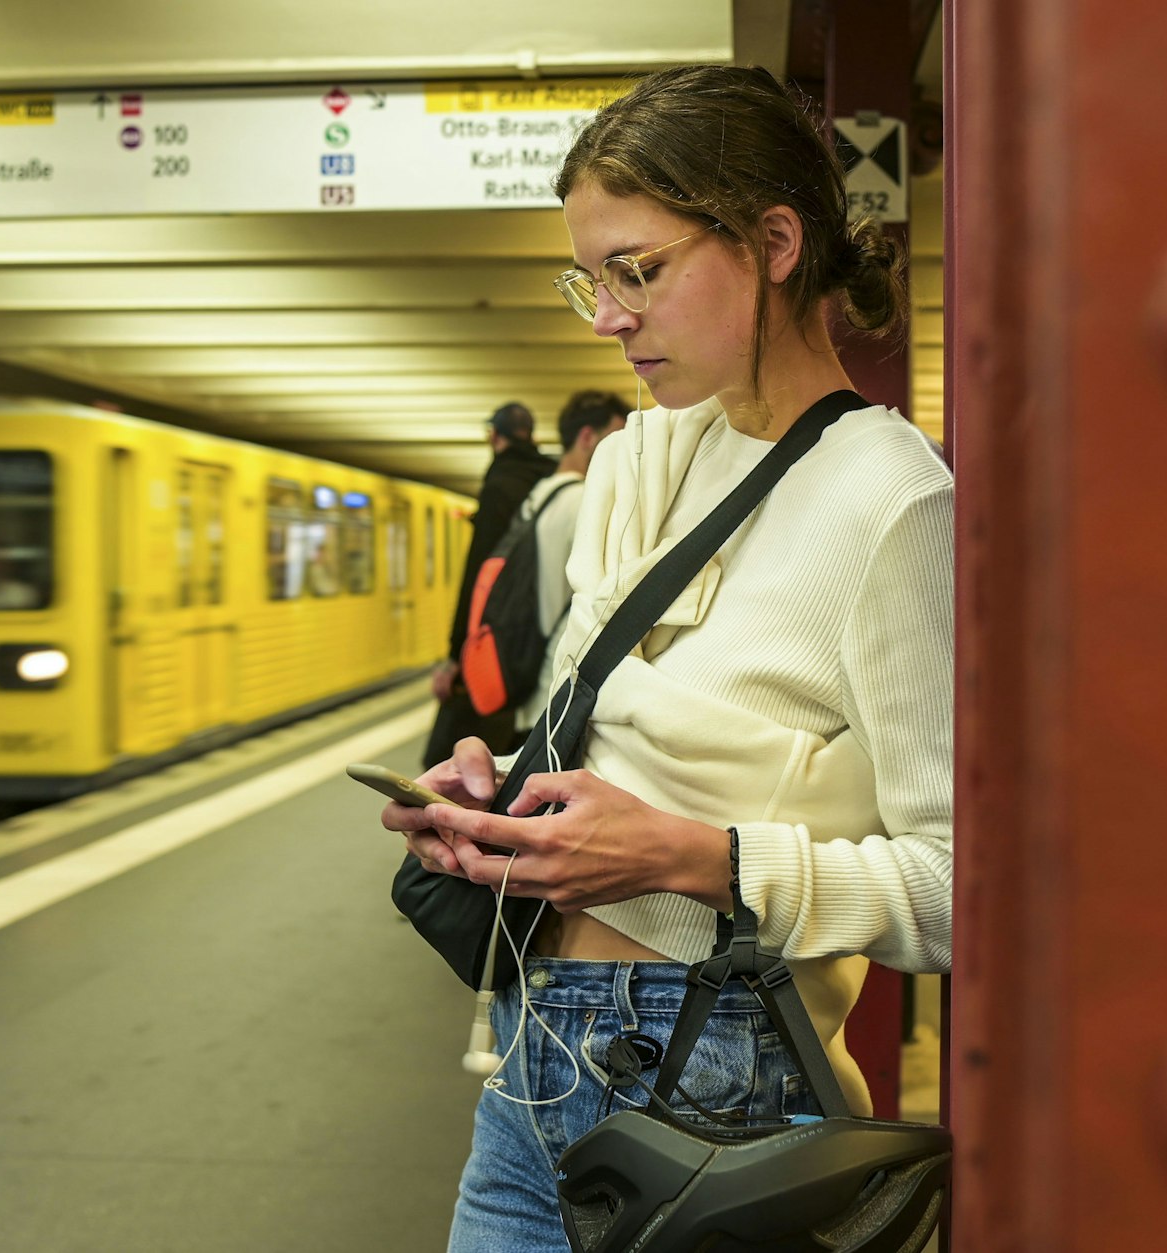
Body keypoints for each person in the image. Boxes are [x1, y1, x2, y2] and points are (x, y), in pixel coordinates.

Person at [381, 65, 952, 1251]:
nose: (604, 316)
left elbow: (958, 890)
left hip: (719, 1087)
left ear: (774, 241)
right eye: (587, 278)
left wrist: (696, 856)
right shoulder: (645, 466)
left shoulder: (892, 506)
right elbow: (600, 726)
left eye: (634, 271)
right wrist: (501, 806)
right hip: (538, 1057)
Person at [424, 401, 557, 766]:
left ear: (493, 437)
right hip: (545, 632)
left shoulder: (500, 482)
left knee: (453, 756)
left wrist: (456, 655)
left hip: (498, 634)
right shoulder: (551, 480)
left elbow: (480, 572)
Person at [511, 389, 629, 733]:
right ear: (588, 437)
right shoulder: (585, 502)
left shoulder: (537, 498)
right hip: (561, 684)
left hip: (530, 677)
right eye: (615, 439)